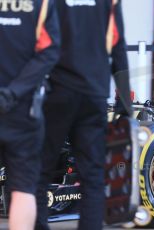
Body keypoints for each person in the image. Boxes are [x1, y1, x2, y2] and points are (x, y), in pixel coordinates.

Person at [34, 0, 132, 229]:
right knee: (93, 177)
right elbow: (118, 46)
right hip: (93, 94)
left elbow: (36, 39)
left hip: (57, 93)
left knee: (39, 173)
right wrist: (125, 104)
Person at [0, 0, 60, 229]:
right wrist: (14, 92)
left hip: (21, 109)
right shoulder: (42, 3)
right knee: (24, 189)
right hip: (22, 109)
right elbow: (49, 52)